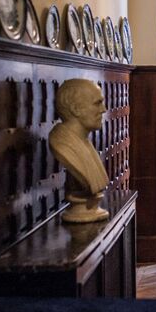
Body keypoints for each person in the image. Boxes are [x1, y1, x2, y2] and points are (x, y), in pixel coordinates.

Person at [49, 79, 110, 223]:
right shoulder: (62, 144)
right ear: (75, 109)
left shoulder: (84, 142)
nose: (104, 109)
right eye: (97, 103)